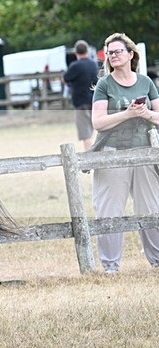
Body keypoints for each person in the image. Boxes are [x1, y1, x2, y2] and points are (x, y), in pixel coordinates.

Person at [90, 32, 159, 273]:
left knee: (150, 208)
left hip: (144, 152)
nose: (113, 55)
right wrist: (128, 114)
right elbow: (98, 122)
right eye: (109, 53)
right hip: (113, 152)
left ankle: (157, 262)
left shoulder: (146, 82)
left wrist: (146, 114)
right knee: (109, 210)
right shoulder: (104, 84)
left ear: (130, 54)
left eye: (118, 51)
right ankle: (111, 267)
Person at [63, 39, 100, 150]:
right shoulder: (93, 64)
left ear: (76, 52)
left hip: (80, 102)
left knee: (85, 133)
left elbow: (65, 79)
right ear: (87, 51)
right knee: (92, 129)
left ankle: (89, 155)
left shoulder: (75, 66)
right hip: (93, 100)